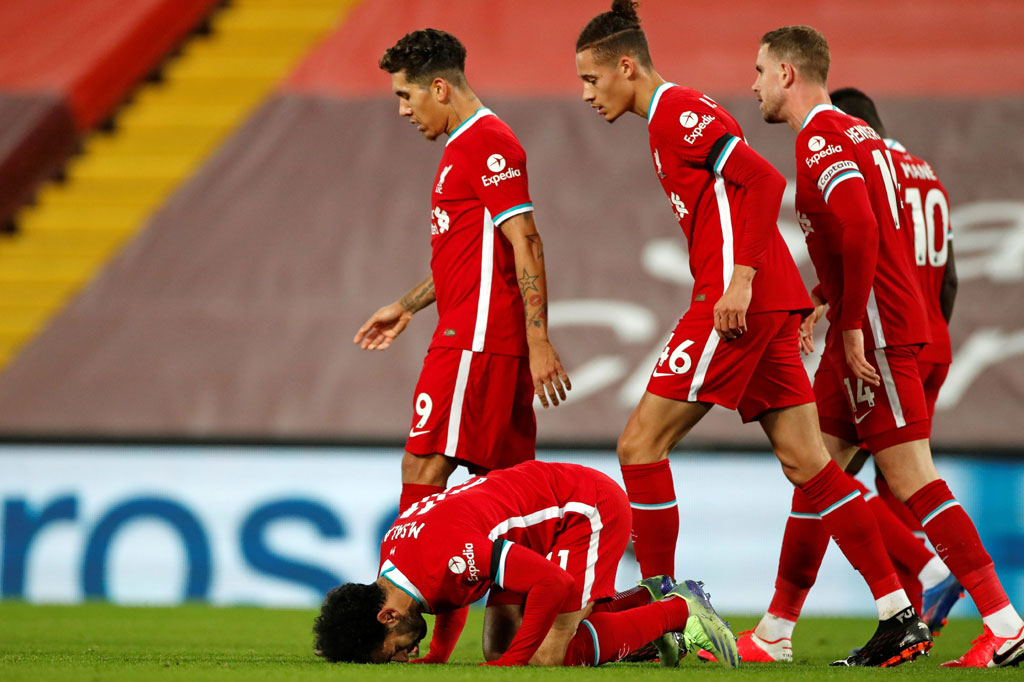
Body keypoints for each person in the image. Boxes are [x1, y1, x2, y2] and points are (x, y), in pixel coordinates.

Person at [573, 2, 928, 667]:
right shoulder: (670, 117)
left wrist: (738, 280)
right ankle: (898, 612)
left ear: (627, 66)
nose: (588, 95)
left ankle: (660, 616)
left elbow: (763, 180)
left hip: (736, 304)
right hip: (768, 302)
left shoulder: (678, 112)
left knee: (639, 445)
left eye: (593, 80)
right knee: (810, 465)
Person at [751, 25, 1024, 668]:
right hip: (877, 326)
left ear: (788, 73)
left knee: (911, 477)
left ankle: (1004, 623)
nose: (754, 83)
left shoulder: (821, 136)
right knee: (814, 473)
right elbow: (880, 234)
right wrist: (826, 297)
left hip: (875, 336)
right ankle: (775, 630)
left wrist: (849, 324)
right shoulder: (863, 137)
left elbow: (863, 226)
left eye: (760, 70)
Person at [736, 86, 965, 665]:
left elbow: (865, 241)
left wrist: (851, 317)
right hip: (925, 335)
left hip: (877, 336)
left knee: (829, 473)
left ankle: (936, 578)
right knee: (875, 480)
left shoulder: (850, 158)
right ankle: (893, 620)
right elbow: (947, 275)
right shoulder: (923, 172)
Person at [353, 29, 570, 514]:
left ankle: (407, 572)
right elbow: (472, 256)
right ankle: (540, 568)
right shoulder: (466, 145)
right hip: (489, 338)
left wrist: (538, 340)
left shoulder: (486, 142)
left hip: (474, 339)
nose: (402, 111)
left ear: (439, 88)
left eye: (405, 95)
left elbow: (527, 241)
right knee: (510, 492)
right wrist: (407, 306)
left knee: (423, 468)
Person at [312, 460, 740, 667]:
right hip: (532, 529)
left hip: (583, 509)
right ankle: (647, 597)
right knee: (497, 648)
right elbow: (446, 591)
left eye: (393, 651)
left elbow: (551, 584)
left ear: (387, 616)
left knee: (550, 654)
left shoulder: (448, 556)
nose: (404, 657)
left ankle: (680, 609)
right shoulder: (397, 563)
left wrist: (515, 663)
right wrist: (440, 654)